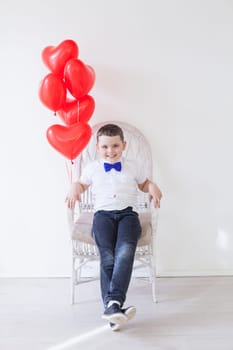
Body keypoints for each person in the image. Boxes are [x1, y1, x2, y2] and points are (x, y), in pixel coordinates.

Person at [66, 123, 162, 331]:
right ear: (98, 147)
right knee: (107, 256)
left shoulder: (133, 166)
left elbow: (143, 184)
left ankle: (112, 307)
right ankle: (114, 307)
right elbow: (82, 184)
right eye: (105, 147)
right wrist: (75, 186)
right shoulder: (92, 168)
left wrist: (152, 186)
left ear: (123, 145)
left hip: (128, 215)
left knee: (125, 252)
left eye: (115, 146)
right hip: (102, 217)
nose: (111, 151)